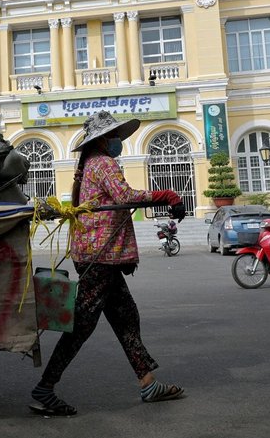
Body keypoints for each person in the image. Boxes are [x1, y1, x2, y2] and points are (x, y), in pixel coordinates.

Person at [30, 111, 187, 416]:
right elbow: (124, 195)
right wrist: (167, 195)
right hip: (99, 256)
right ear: (103, 140)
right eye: (114, 135)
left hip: (98, 255)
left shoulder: (90, 164)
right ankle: (44, 389)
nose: (118, 141)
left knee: (126, 317)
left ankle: (148, 383)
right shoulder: (103, 163)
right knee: (81, 326)